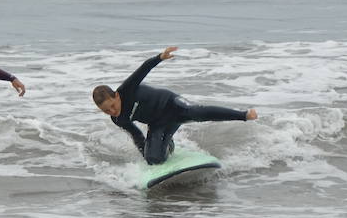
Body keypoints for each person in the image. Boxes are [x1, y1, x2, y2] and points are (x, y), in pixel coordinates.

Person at [92, 46, 257, 165]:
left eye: (112, 106)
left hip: (172, 105)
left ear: (117, 96)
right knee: (154, 159)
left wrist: (160, 57)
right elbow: (136, 136)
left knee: (194, 112)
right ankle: (168, 144)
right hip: (158, 123)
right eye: (106, 111)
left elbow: (143, 69)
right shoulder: (118, 119)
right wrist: (148, 156)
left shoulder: (127, 90)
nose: (112, 111)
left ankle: (243, 115)